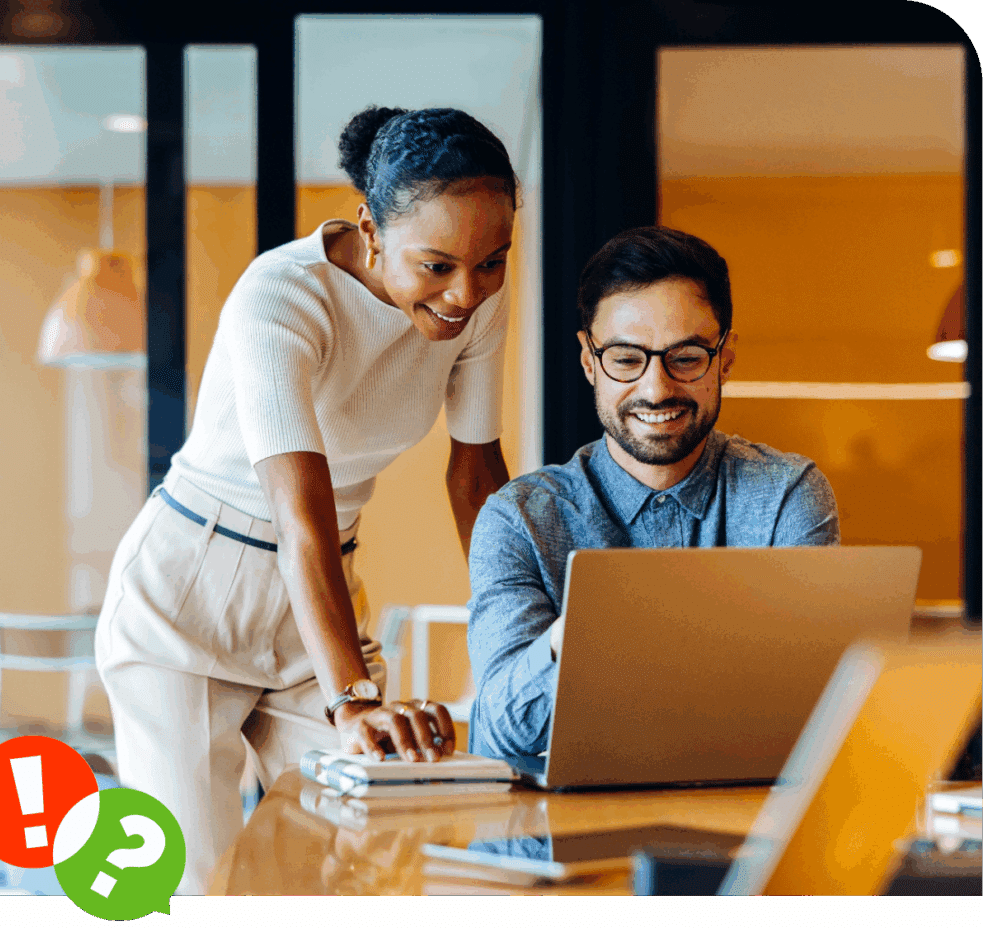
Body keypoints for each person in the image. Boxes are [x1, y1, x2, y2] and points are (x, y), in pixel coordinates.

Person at [95, 105, 518, 893]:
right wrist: (353, 696)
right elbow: (301, 514)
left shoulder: (475, 299)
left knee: (364, 858)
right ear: (371, 228)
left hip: (316, 601)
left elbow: (476, 479)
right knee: (196, 881)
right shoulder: (281, 297)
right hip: (189, 597)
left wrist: (520, 636)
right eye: (438, 266)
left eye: (492, 261)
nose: (468, 292)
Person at [467, 226, 840, 759]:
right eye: (625, 359)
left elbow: (814, 712)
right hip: (556, 833)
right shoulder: (518, 519)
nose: (656, 388)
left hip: (733, 827)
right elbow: (507, 728)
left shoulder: (787, 496)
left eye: (686, 357)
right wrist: (583, 634)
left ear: (725, 358)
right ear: (589, 361)